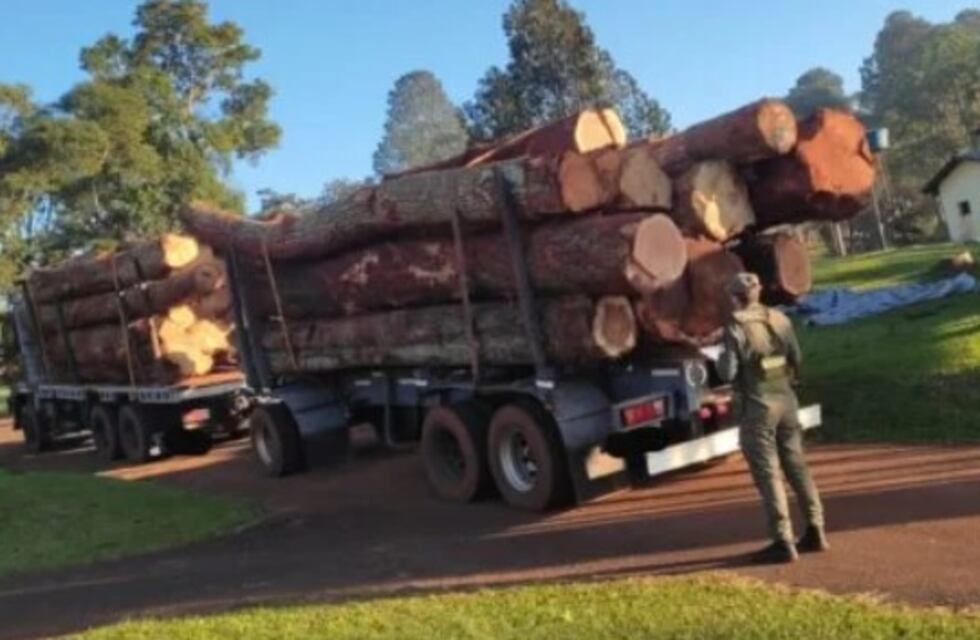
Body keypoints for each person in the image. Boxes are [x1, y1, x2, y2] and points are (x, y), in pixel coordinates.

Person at [718, 272, 828, 564]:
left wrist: (722, 356)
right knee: (797, 466)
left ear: (735, 298)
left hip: (757, 407)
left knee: (768, 474)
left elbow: (726, 372)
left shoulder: (735, 326)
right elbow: (796, 358)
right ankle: (816, 529)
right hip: (786, 400)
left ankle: (782, 540)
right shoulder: (780, 319)